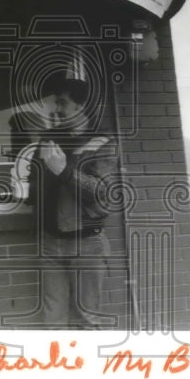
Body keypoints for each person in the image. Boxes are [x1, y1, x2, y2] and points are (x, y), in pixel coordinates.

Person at [29, 77, 119, 329]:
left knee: (86, 322)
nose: (56, 109)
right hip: (49, 242)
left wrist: (64, 171)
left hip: (86, 243)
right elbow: (35, 182)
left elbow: (102, 192)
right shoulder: (49, 139)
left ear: (81, 106)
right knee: (52, 321)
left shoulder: (102, 142)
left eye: (62, 102)